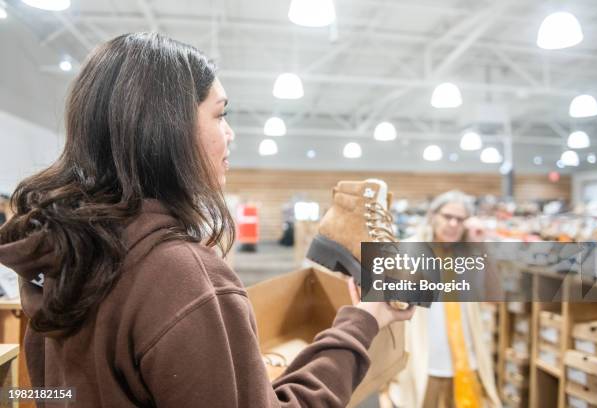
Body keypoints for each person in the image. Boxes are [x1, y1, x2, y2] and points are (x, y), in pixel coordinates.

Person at [0, 33, 414, 407]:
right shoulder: (180, 278)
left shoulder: (62, 258)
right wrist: (363, 321)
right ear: (169, 130)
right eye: (219, 115)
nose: (230, 134)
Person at [387, 190, 501, 408]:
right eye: (447, 216)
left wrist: (482, 245)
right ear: (433, 216)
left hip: (466, 365)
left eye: (460, 219)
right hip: (423, 365)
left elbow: (495, 297)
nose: (452, 224)